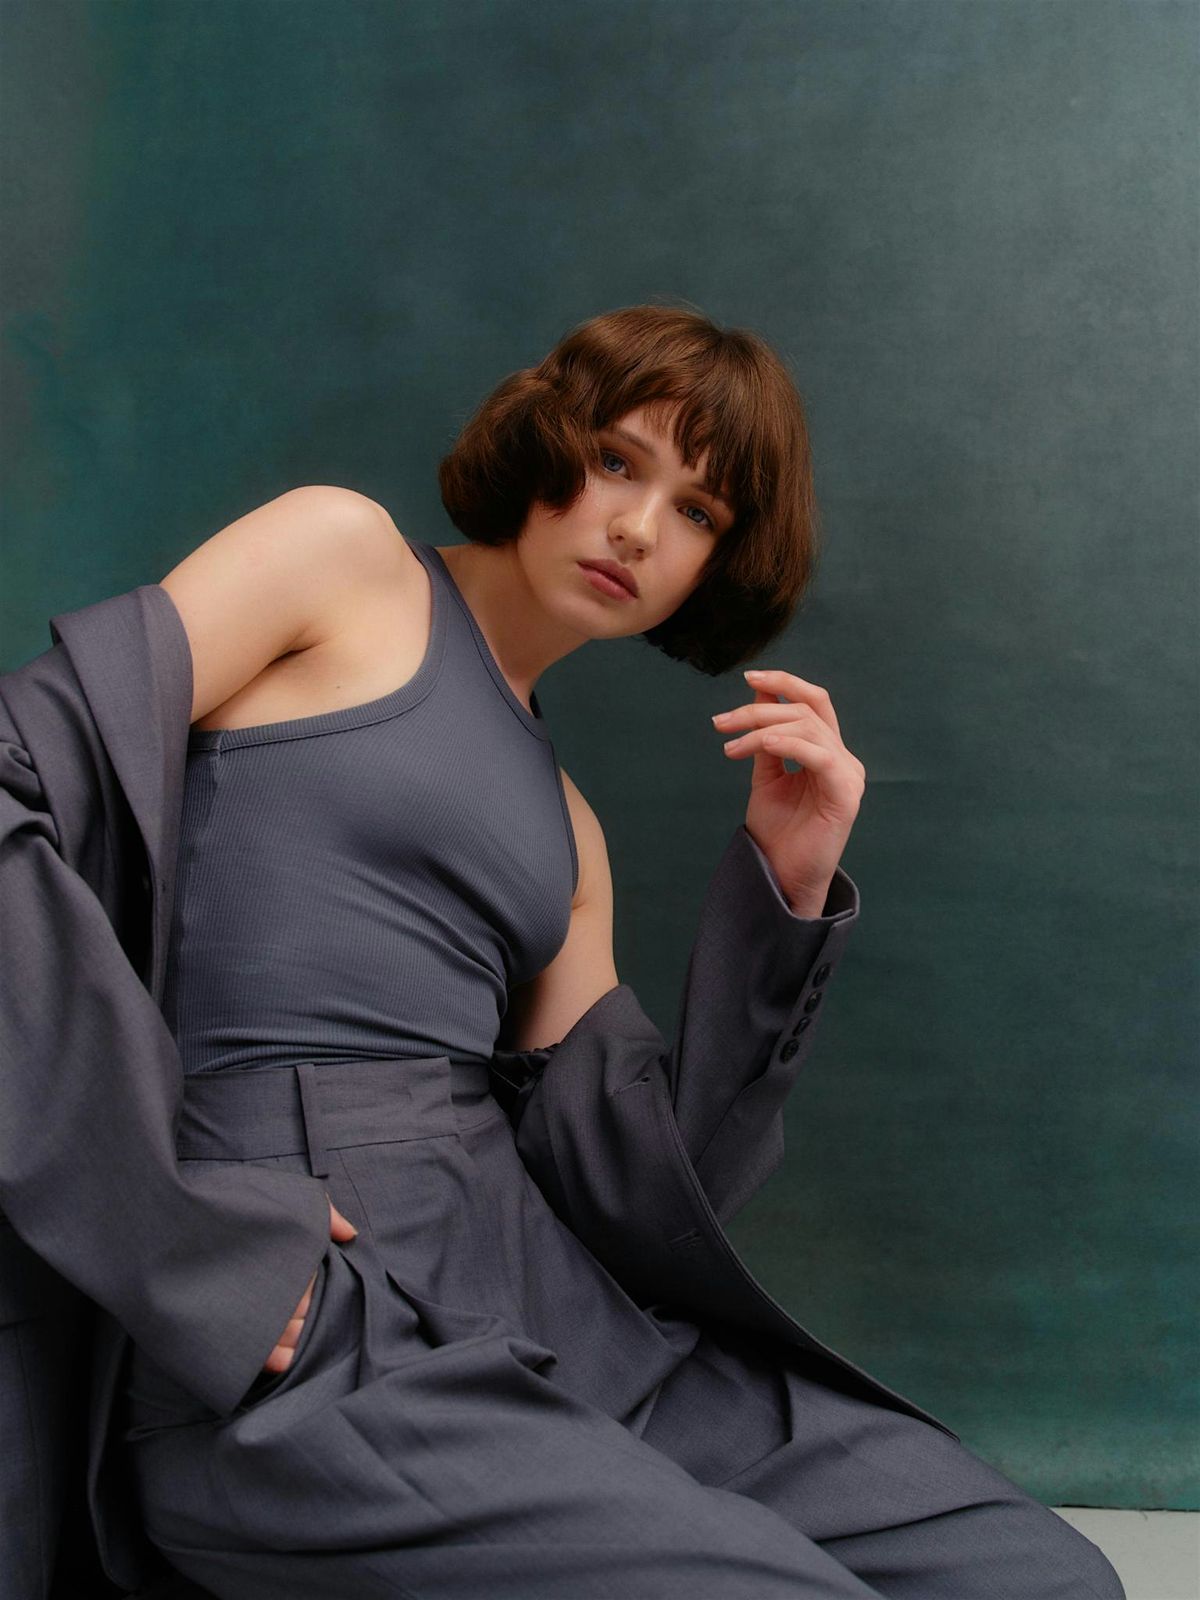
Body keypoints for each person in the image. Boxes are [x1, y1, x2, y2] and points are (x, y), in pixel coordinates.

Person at [4, 304, 1123, 1598]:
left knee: (1039, 1575)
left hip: (555, 1320)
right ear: (545, 437)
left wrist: (789, 885)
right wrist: (178, 1239)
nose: (638, 528)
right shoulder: (340, 558)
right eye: (614, 461)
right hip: (299, 1313)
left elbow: (642, 1200)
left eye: (697, 511)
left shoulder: (569, 834)